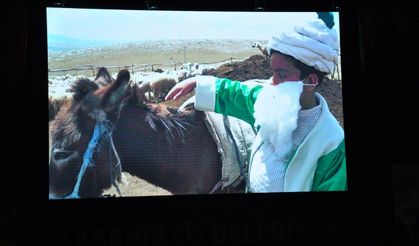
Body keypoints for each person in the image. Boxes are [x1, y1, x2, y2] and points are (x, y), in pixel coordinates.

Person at [165, 13, 346, 192]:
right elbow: (238, 94)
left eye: (282, 75)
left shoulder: (331, 143)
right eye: (272, 72)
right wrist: (199, 82)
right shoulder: (270, 101)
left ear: (311, 81)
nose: (272, 82)